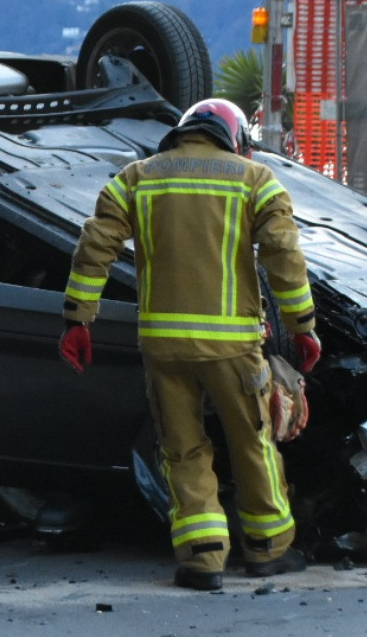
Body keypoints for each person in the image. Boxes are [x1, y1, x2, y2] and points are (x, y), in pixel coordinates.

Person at [58, 99, 318, 592]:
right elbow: (283, 252)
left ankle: (202, 559)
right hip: (233, 348)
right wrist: (302, 325)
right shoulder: (254, 179)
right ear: (234, 137)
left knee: (182, 450)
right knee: (252, 444)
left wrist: (77, 319)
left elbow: (95, 246)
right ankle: (267, 549)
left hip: (163, 345)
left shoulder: (136, 178)